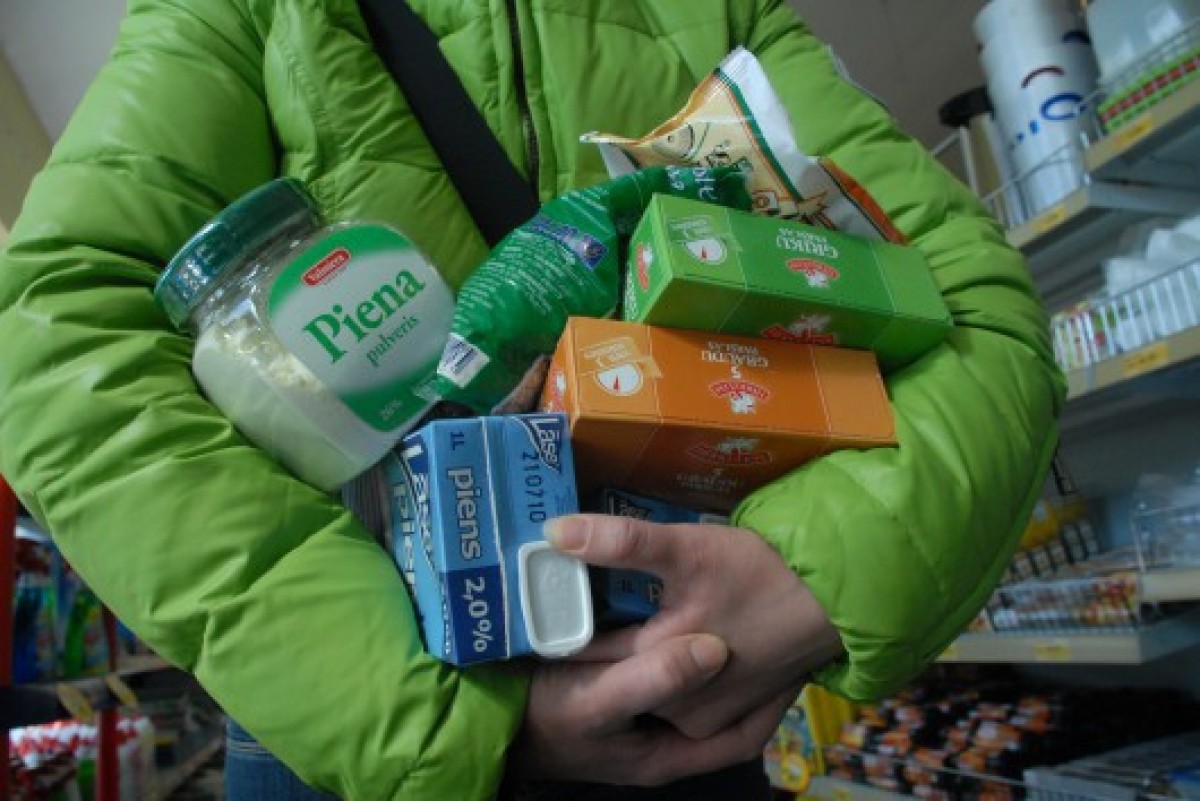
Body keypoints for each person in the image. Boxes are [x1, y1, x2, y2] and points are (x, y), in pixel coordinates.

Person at [0, 1, 1065, 800]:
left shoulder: (717, 10)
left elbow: (974, 309)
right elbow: (53, 343)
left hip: (689, 686)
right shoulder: (244, 14)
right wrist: (442, 719)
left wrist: (811, 576)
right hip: (369, 732)